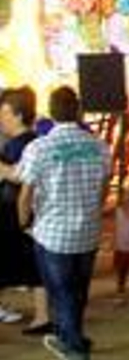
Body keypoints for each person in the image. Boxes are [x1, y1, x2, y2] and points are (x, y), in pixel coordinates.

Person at [17, 87, 110, 360]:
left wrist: (24, 222)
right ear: (79, 110)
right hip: (88, 230)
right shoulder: (99, 146)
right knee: (78, 291)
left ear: (51, 111)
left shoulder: (39, 148)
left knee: (61, 293)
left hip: (53, 232)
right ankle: (69, 336)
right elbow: (104, 188)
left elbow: (26, 192)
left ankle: (76, 353)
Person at [0, 87, 50, 334]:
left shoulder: (26, 145)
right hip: (16, 217)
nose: (1, 118)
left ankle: (43, 317)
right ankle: (42, 316)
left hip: (18, 217)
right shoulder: (21, 143)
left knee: (34, 267)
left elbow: (25, 180)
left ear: (18, 115)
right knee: (33, 269)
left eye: (5, 113)